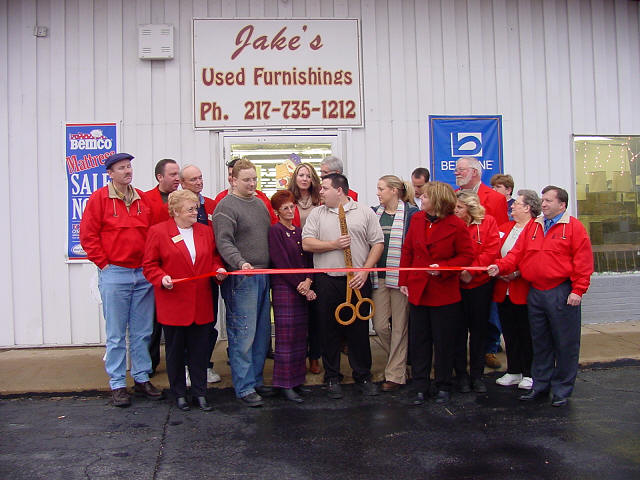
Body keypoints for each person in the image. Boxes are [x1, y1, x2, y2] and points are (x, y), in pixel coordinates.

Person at [488, 186, 594, 407]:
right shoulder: (534, 226)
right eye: (543, 200)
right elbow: (516, 253)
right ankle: (540, 385)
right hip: (535, 291)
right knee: (540, 342)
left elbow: (583, 262)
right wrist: (500, 266)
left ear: (562, 205)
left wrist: (578, 290)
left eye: (548, 201)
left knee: (565, 343)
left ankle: (562, 389)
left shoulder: (573, 227)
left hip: (561, 291)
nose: (543, 204)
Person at [79, 152, 162, 407]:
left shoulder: (143, 200)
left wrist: (150, 264)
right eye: (122, 168)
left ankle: (141, 377)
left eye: (129, 167)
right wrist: (104, 264)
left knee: (142, 331)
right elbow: (88, 235)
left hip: (142, 273)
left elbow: (153, 234)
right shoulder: (99, 199)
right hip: (115, 273)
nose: (127, 171)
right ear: (110, 173)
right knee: (116, 334)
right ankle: (117, 383)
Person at [142, 190, 227, 412]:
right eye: (190, 209)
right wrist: (162, 278)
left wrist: (218, 270)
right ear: (176, 211)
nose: (195, 212)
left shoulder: (204, 231)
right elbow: (150, 265)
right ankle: (179, 393)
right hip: (174, 303)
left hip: (201, 303)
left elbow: (213, 258)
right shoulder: (159, 232)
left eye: (196, 208)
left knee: (199, 352)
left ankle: (200, 392)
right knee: (175, 352)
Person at [302, 173, 383, 399]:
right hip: (327, 280)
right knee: (328, 330)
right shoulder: (317, 214)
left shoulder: (364, 212)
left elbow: (377, 243)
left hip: (357, 280)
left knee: (359, 330)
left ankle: (363, 375)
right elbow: (307, 243)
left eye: (325, 188)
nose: (320, 191)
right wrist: (333, 244)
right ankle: (332, 377)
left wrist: (365, 271)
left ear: (339, 190)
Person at [399, 181, 474, 405]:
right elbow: (408, 250)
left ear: (438, 200)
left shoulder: (456, 224)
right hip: (419, 289)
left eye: (425, 196)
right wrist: (404, 279)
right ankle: (420, 386)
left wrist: (443, 268)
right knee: (419, 341)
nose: (421, 198)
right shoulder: (417, 219)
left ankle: (443, 384)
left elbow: (466, 255)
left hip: (443, 292)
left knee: (444, 342)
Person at [213, 159, 273, 407]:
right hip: (242, 279)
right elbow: (224, 241)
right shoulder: (225, 207)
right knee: (243, 334)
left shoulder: (259, 204)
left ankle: (256, 380)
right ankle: (244, 386)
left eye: (254, 179)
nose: (252, 183)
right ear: (233, 180)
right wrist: (240, 263)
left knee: (261, 334)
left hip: (264, 275)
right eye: (247, 179)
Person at [455, 157, 508, 369]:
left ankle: (489, 350)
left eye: (461, 170)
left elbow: (499, 235)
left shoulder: (495, 198)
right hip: (458, 278)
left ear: (474, 172)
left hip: (483, 272)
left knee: (486, 319)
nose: (457, 173)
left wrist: (476, 269)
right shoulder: (454, 196)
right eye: (456, 169)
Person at [371, 175, 419, 392]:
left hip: (401, 279)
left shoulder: (412, 214)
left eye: (381, 189)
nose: (378, 193)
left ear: (394, 191)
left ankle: (395, 374)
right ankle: (400, 360)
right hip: (378, 277)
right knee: (380, 325)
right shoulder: (374, 213)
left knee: (400, 326)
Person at [268, 190, 316, 403]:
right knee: (286, 338)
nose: (290, 211)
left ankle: (297, 380)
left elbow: (309, 260)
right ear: (276, 212)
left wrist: (309, 280)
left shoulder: (299, 231)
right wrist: (300, 285)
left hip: (301, 287)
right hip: (285, 288)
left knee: (300, 336)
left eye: (292, 207)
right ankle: (284, 383)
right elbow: (280, 262)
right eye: (285, 208)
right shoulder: (275, 231)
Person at [453, 191, 500, 394]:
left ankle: (477, 375)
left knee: (479, 331)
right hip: (457, 285)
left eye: (460, 207)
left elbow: (491, 250)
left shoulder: (488, 222)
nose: (455, 210)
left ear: (470, 208)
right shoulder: (453, 223)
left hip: (480, 284)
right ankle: (461, 375)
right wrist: (460, 271)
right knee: (458, 332)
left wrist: (471, 271)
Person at [493, 189, 541, 390]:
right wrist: (499, 269)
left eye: (517, 204)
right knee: (509, 331)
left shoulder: (536, 228)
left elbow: (534, 257)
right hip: (503, 287)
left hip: (523, 289)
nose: (512, 206)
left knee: (526, 332)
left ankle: (529, 372)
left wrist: (517, 272)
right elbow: (494, 250)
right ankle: (514, 370)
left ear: (528, 208)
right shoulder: (506, 227)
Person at [179, 165, 221, 384]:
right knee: (186, 325)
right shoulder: (176, 207)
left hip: (208, 277)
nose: (198, 182)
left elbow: (217, 241)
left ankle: (204, 365)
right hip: (185, 279)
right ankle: (186, 367)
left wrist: (218, 267)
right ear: (182, 183)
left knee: (208, 323)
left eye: (200, 177)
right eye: (193, 179)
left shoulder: (212, 205)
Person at [144, 159, 181, 376]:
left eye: (178, 174)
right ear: (160, 177)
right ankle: (149, 363)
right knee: (152, 320)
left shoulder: (184, 198)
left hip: (179, 267)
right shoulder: (146, 199)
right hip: (156, 267)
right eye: (172, 174)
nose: (177, 178)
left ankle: (178, 363)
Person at [287, 162, 323, 374]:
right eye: (301, 175)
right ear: (295, 178)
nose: (304, 179)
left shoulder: (320, 201)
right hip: (294, 260)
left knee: (315, 315)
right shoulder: (288, 200)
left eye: (308, 175)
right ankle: (298, 357)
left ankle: (315, 356)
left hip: (316, 258)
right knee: (296, 315)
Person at [214, 158, 278, 224]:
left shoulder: (261, 198)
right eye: (230, 174)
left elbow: (273, 221)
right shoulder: (221, 198)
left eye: (254, 179)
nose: (232, 178)